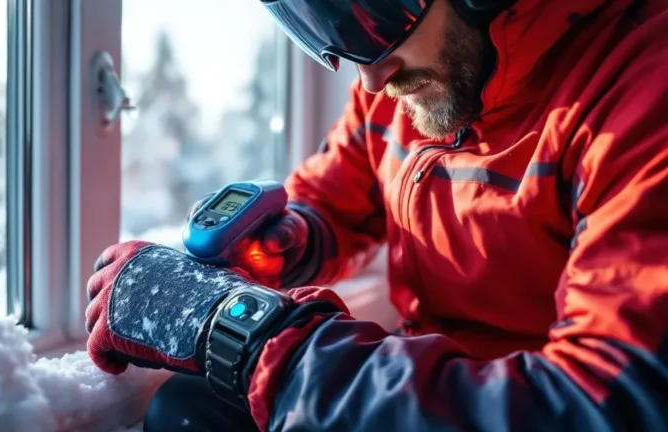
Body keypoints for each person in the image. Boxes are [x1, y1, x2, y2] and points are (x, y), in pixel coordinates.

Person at [84, 0, 668, 430]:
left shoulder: (642, 92)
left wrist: (257, 339)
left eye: (372, 18)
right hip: (434, 385)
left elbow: (601, 407)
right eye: (329, 27)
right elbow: (337, 192)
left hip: (514, 401)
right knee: (193, 414)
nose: (368, 77)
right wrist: (287, 239)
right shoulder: (421, 81)